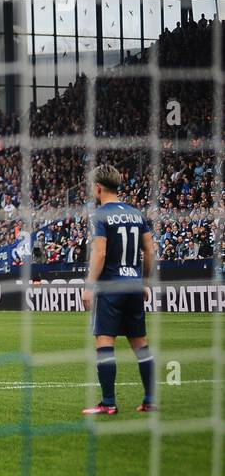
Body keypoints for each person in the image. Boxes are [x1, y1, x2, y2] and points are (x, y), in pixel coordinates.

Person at [80, 164, 157, 416]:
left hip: (110, 286)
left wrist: (89, 286)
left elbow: (99, 253)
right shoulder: (136, 213)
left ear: (98, 188)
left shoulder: (100, 216)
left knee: (104, 341)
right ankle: (149, 399)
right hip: (133, 285)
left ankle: (109, 402)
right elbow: (150, 252)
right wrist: (144, 283)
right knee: (140, 343)